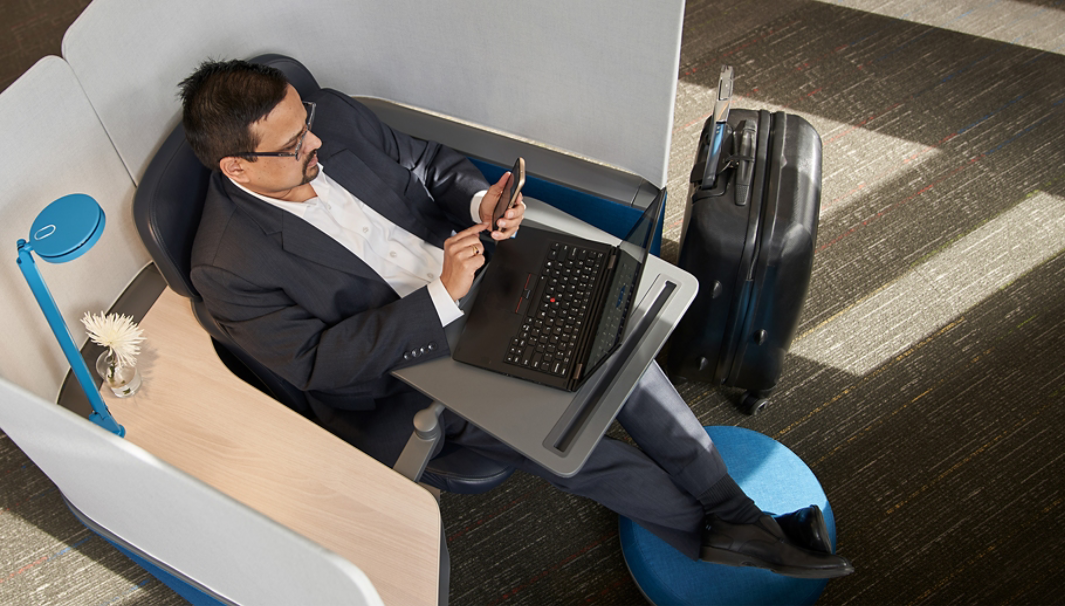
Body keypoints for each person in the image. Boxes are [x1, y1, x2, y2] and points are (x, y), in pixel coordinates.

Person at [180, 59, 853, 579]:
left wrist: (481, 201)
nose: (317, 138)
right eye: (295, 142)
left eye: (309, 121)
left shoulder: (335, 121)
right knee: (565, 433)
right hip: (406, 370)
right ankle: (724, 536)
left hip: (478, 276)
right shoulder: (226, 265)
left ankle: (738, 520)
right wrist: (440, 296)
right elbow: (318, 365)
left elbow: (425, 164)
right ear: (239, 165)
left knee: (613, 337)